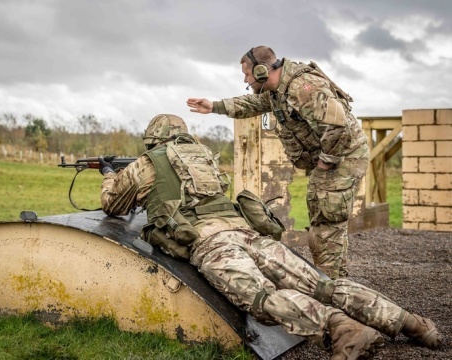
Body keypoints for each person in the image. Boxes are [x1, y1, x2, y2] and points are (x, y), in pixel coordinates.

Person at [99, 114, 441, 360]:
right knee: (321, 284)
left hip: (211, 243)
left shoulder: (146, 163)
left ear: (152, 140)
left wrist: (109, 174)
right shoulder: (205, 157)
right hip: (248, 233)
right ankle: (413, 324)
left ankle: (342, 330)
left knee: (261, 299)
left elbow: (113, 205)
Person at [187, 46, 369, 280]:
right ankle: (330, 279)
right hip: (332, 156)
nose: (245, 79)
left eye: (246, 74)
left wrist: (326, 163)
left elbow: (337, 126)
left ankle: (333, 284)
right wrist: (214, 106)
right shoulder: (276, 91)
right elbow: (252, 104)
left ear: (261, 71)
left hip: (344, 155)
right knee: (322, 214)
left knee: (327, 217)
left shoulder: (305, 88)